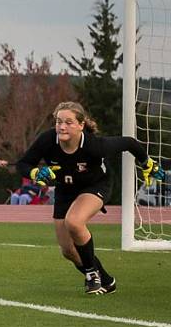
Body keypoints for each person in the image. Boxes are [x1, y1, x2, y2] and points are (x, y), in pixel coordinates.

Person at [16, 101, 164, 295]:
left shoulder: (94, 145)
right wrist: (35, 172)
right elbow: (23, 164)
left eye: (69, 122)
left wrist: (147, 163)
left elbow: (130, 142)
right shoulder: (47, 140)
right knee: (68, 250)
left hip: (96, 186)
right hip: (65, 190)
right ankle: (106, 280)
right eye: (59, 121)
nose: (62, 126)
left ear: (81, 125)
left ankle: (91, 274)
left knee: (74, 222)